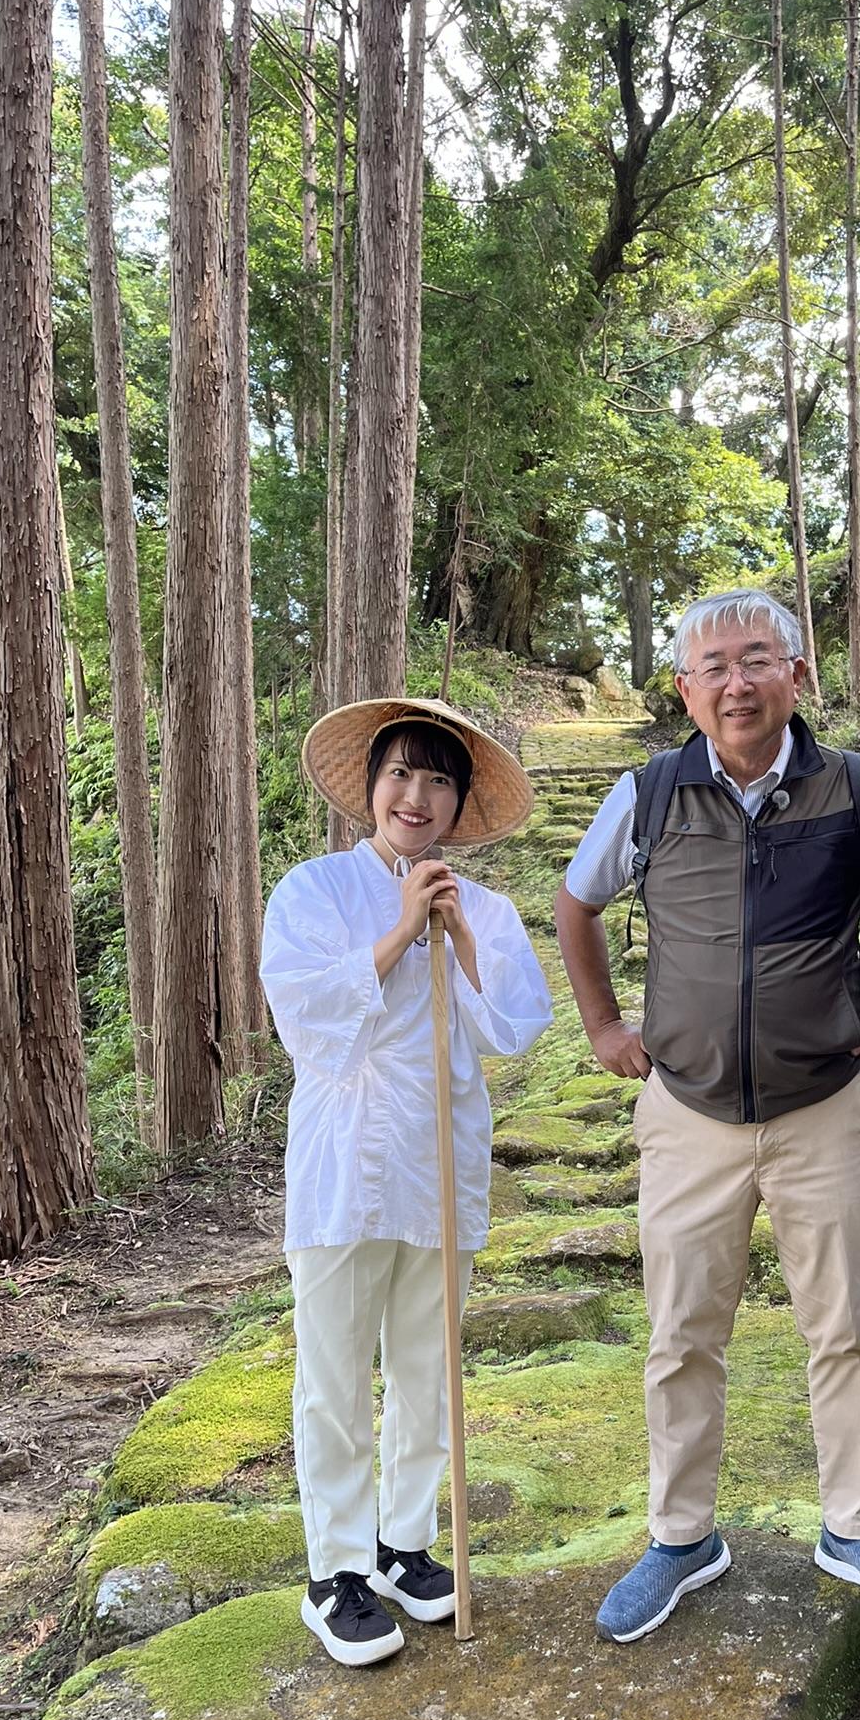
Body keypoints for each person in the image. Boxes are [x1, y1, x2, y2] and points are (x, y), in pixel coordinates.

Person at [555, 588, 860, 1644]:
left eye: (756, 659)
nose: (737, 682)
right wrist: (603, 1025)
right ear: (685, 691)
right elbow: (576, 901)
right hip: (686, 1109)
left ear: (797, 673)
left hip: (826, 1100)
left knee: (846, 1325)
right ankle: (682, 1534)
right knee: (682, 1330)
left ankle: (857, 1526)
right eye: (714, 667)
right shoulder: (647, 792)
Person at [262, 696, 552, 1667]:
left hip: (441, 1159)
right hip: (345, 1162)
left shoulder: (491, 910)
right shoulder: (312, 889)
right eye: (400, 773)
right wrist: (396, 928)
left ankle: (406, 1542)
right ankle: (336, 1568)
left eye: (438, 778)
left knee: (427, 1366)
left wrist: (458, 935)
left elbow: (510, 1027)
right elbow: (305, 1017)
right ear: (369, 789)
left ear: (460, 804)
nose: (415, 794)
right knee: (337, 1373)